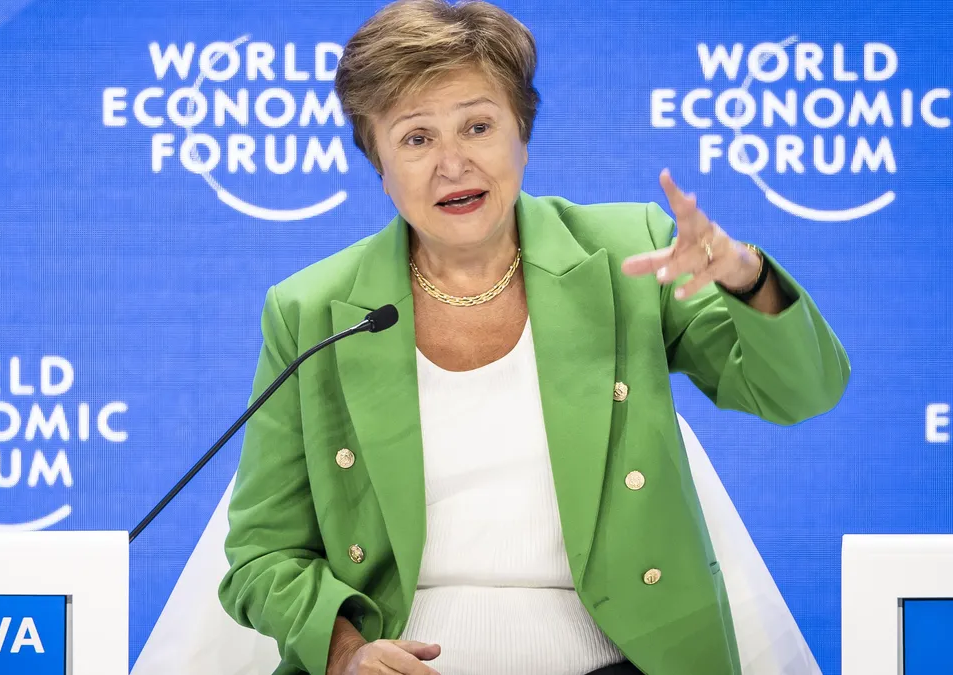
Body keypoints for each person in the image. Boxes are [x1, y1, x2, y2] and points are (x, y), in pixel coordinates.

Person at [217, 1, 850, 674]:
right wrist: (346, 652)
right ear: (379, 162)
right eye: (416, 138)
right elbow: (262, 553)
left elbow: (799, 394)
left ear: (522, 133)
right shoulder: (312, 311)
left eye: (478, 126)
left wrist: (748, 279)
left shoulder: (627, 254)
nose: (453, 164)